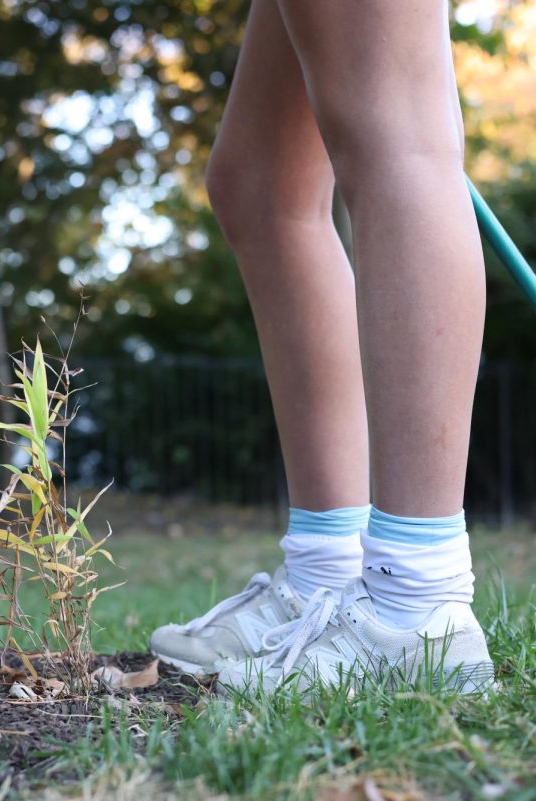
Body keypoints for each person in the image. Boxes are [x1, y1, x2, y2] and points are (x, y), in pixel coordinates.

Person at [149, 0, 494, 692]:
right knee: (260, 185)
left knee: (390, 114)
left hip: (416, 605)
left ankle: (415, 601)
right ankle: (323, 575)